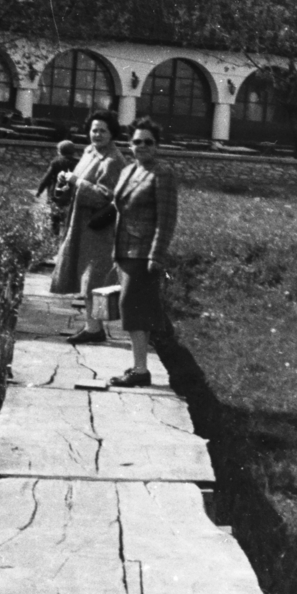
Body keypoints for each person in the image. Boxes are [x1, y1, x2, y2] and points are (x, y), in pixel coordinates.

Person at [106, 118, 178, 388]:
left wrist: (157, 255)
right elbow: (119, 208)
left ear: (157, 145)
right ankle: (139, 366)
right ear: (130, 145)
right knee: (134, 307)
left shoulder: (162, 173)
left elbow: (166, 218)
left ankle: (140, 370)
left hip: (144, 252)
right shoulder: (128, 171)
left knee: (133, 307)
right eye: (137, 141)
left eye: (149, 142)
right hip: (124, 249)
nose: (142, 146)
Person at [50, 111, 125, 343]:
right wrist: (64, 186)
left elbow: (106, 197)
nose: (97, 134)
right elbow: (78, 182)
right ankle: (93, 327)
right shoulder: (90, 152)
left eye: (103, 130)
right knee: (85, 274)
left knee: (94, 277)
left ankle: (95, 329)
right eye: (94, 130)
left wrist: (77, 182)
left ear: (112, 133)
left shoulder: (113, 160)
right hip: (80, 223)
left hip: (99, 226)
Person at [35, 140, 80, 235]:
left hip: (56, 194)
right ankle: (66, 236)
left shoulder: (56, 162)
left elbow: (47, 178)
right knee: (68, 218)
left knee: (55, 217)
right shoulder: (78, 163)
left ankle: (54, 235)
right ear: (73, 151)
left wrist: (39, 190)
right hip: (71, 194)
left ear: (59, 151)